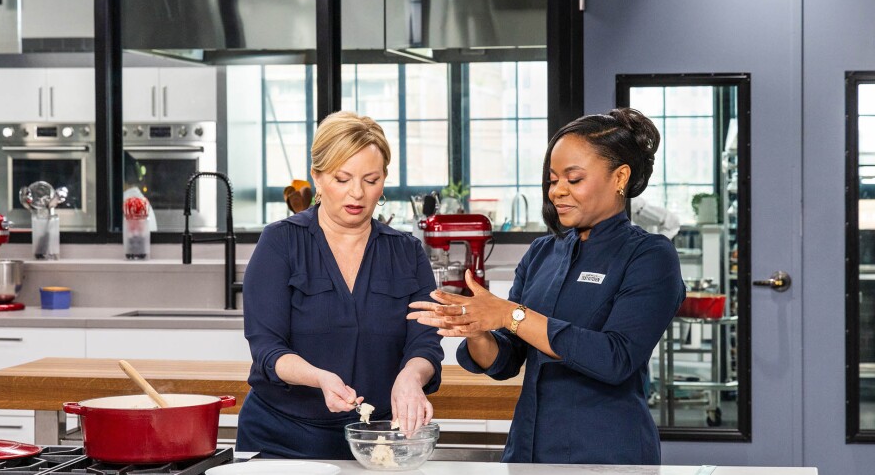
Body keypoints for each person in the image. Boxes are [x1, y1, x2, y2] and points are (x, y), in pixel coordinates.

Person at [409, 107, 686, 465]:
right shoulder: (543, 252)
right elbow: (508, 359)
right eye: (553, 180)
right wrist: (475, 330)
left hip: (608, 454)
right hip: (528, 450)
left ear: (620, 177)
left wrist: (511, 314)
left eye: (573, 179)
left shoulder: (650, 256)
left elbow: (616, 358)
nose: (557, 192)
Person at [237, 111, 443, 459]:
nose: (358, 193)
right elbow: (267, 348)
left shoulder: (407, 252)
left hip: (378, 441)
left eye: (371, 179)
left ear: (384, 180)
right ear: (317, 177)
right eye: (342, 178)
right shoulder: (280, 243)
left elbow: (425, 343)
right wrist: (319, 378)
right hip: (282, 440)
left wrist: (412, 377)